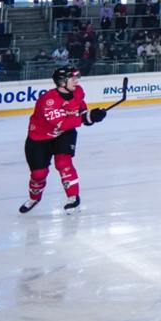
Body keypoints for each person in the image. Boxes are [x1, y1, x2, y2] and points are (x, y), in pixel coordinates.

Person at [21, 66, 107, 214]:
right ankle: (34, 198)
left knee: (63, 163)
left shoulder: (78, 91)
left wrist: (91, 116)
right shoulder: (48, 101)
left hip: (64, 134)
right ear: (62, 82)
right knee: (38, 174)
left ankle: (73, 198)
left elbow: (80, 109)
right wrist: (85, 118)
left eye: (76, 77)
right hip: (39, 138)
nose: (76, 80)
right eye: (72, 78)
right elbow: (62, 122)